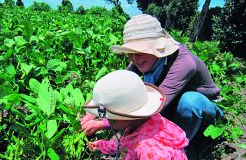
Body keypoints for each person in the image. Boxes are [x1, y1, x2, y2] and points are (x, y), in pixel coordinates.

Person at [81, 14, 224, 141]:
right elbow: (122, 86)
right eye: (130, 53)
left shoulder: (184, 62)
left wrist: (104, 123)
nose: (134, 58)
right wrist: (93, 113)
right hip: (172, 103)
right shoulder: (144, 58)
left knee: (189, 101)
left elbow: (156, 107)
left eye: (139, 52)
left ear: (156, 48)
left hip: (204, 110)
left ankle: (177, 151)